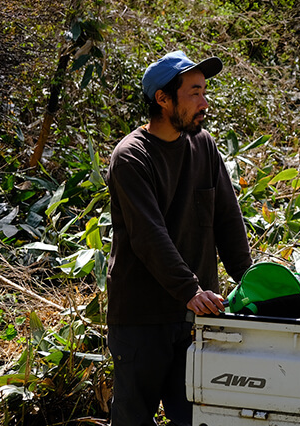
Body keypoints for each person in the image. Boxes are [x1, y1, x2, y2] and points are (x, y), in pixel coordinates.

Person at [106, 50, 252, 426]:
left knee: (195, 417)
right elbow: (147, 235)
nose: (205, 102)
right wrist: (189, 289)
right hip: (142, 316)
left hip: (195, 315)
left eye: (204, 92)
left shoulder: (202, 145)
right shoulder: (131, 157)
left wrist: (249, 280)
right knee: (133, 418)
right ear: (163, 99)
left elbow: (227, 218)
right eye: (195, 93)